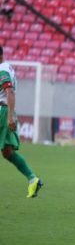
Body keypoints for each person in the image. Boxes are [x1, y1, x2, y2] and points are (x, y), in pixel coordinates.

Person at [0, 45, 43, 198]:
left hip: (2, 112)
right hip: (6, 111)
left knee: (7, 151)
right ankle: (33, 179)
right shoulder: (7, 68)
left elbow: (9, 91)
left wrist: (10, 116)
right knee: (7, 152)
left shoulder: (2, 70)